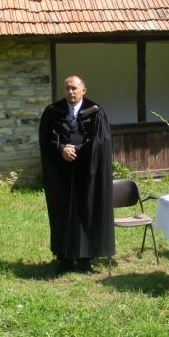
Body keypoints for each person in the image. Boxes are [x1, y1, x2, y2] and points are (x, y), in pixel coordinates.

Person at [39, 75, 115, 275]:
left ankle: (84, 261)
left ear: (83, 90)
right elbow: (46, 139)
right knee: (62, 213)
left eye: (74, 88)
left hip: (86, 172)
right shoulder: (53, 112)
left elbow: (100, 141)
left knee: (85, 211)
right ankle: (64, 260)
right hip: (61, 172)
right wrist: (61, 149)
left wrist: (79, 149)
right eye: (67, 88)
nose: (70, 92)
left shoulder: (95, 112)